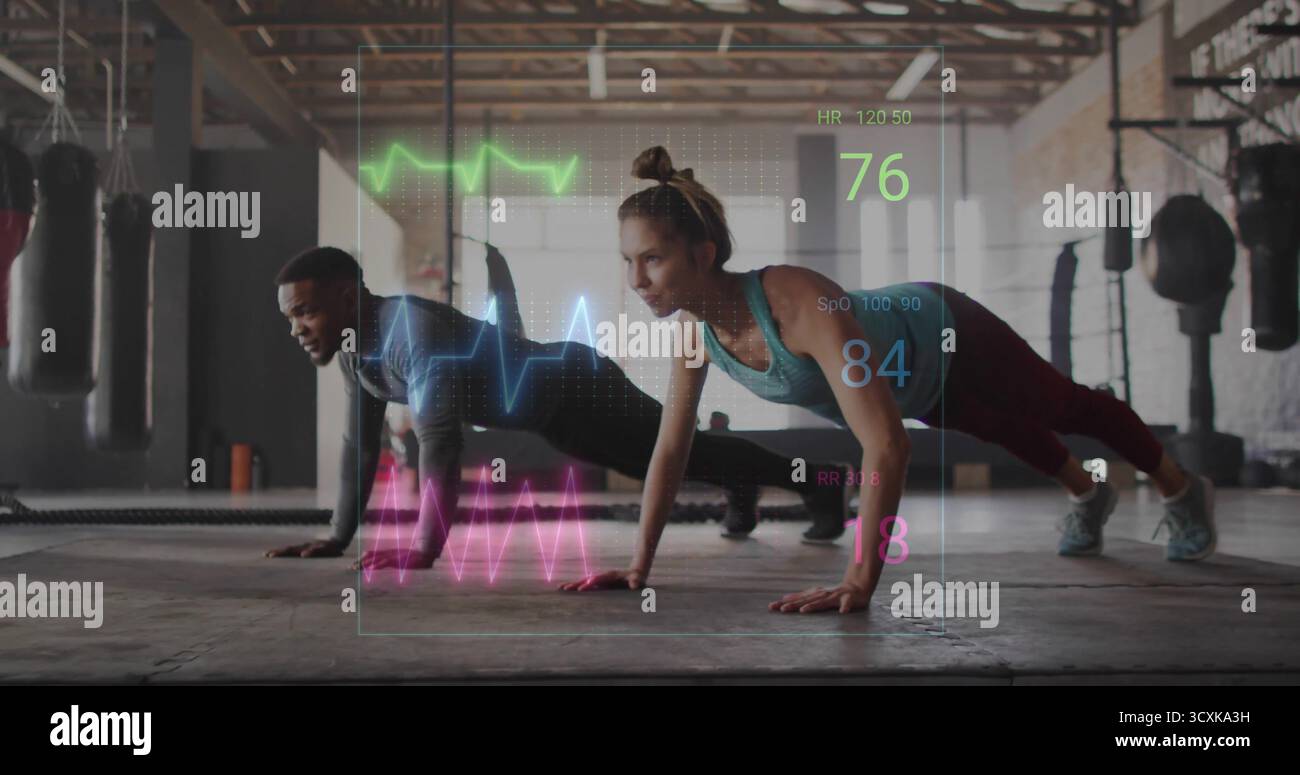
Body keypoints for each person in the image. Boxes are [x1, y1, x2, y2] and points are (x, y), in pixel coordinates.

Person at [560, 146, 1216, 613]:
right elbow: (672, 450)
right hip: (916, 382)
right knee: (997, 427)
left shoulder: (798, 302)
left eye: (652, 257)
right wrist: (639, 566)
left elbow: (887, 446)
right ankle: (1088, 497)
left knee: (1062, 405)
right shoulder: (694, 335)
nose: (636, 280)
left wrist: (859, 579)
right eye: (628, 260)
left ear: (701, 254)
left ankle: (1183, 490)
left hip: (946, 328)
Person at [265, 246, 852, 569]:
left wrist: (424, 548)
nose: (297, 329)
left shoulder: (408, 331)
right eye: (290, 317)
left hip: (578, 382)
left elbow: (440, 445)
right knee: (664, 461)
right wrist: (339, 537)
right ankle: (742, 488)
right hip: (551, 415)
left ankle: (823, 483)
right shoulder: (354, 353)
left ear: (346, 296)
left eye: (306, 312)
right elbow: (361, 446)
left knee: (674, 454)